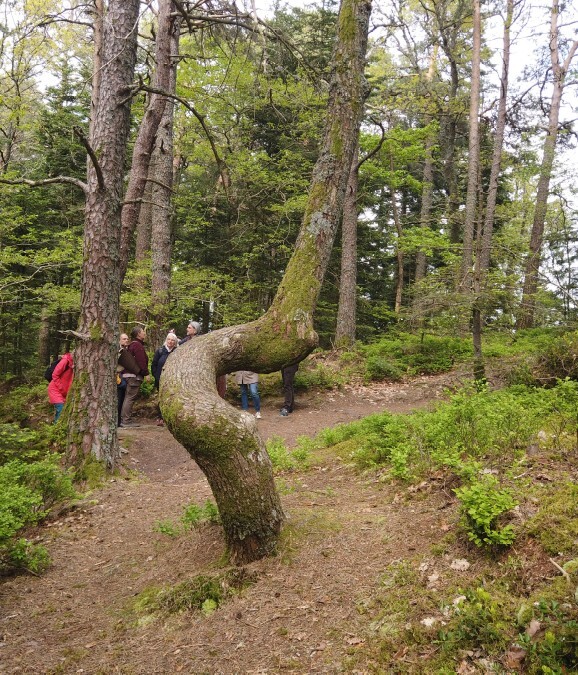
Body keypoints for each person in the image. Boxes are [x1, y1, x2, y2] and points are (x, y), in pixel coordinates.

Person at [120, 326, 149, 427]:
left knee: (127, 397)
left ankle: (124, 419)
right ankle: (126, 421)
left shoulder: (131, 345)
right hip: (134, 376)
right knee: (130, 397)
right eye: (142, 331)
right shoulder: (137, 346)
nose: (144, 333)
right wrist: (146, 373)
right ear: (138, 334)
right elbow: (141, 361)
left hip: (127, 375)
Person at [151, 332, 178, 426]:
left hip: (172, 380)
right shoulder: (160, 351)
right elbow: (154, 364)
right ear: (166, 340)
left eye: (172, 340)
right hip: (160, 380)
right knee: (161, 398)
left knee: (171, 398)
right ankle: (160, 417)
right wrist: (156, 376)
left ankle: (170, 419)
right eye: (169, 339)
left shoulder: (177, 351)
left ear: (175, 342)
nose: (170, 341)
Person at [47, 351, 74, 423]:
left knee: (66, 412)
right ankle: (56, 431)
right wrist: (61, 388)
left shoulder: (77, 364)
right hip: (55, 389)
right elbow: (55, 375)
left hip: (65, 392)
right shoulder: (66, 361)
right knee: (61, 410)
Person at [116, 333, 129, 427]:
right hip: (118, 377)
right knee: (118, 399)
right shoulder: (117, 350)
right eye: (124, 339)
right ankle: (116, 421)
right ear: (119, 340)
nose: (126, 340)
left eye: (127, 339)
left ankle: (119, 421)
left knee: (123, 399)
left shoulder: (128, 350)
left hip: (127, 377)